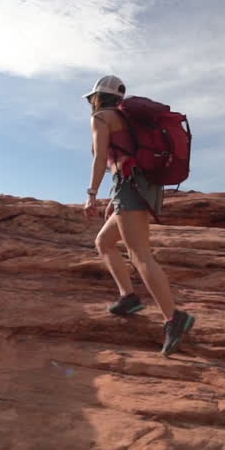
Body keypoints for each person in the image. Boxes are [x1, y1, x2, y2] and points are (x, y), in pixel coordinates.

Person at [81, 75, 195, 356]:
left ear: (97, 97)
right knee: (104, 243)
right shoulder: (127, 117)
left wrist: (92, 195)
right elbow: (125, 156)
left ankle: (174, 318)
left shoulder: (102, 117)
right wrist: (113, 198)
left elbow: (99, 158)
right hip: (143, 185)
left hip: (131, 186)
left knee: (140, 254)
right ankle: (128, 297)